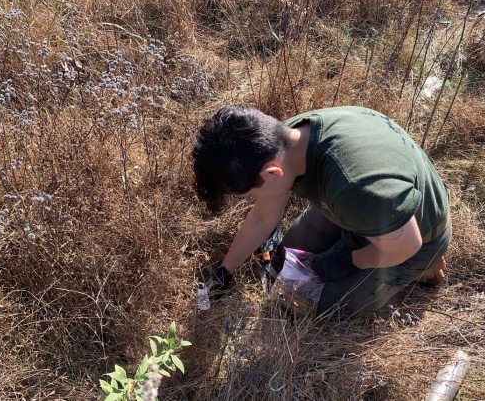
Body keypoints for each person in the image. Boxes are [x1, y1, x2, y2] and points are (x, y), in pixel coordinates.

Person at [192, 105, 451, 316]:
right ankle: (358, 239)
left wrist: (349, 259)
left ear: (272, 173)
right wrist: (225, 272)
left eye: (249, 194)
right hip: (369, 209)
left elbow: (407, 245)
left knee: (306, 304)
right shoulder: (285, 141)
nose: (250, 199)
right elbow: (262, 217)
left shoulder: (355, 187)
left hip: (415, 235)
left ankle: (426, 267)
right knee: (285, 260)